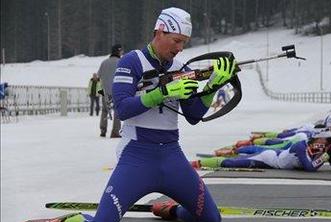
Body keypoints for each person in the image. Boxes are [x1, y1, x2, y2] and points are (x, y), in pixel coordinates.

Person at [65, 7, 237, 222]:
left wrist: (212, 86)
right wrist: (161, 93)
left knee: (212, 219)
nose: (180, 48)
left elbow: (193, 116)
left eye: (184, 42)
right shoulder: (131, 61)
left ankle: (171, 210)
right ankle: (77, 219)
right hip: (137, 157)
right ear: (160, 32)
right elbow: (122, 109)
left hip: (172, 156)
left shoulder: (180, 67)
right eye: (176, 40)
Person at [192, 130, 331, 172]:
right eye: (327, 140)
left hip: (277, 160)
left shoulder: (326, 149)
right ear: (318, 138)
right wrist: (322, 158)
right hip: (271, 159)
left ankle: (235, 150)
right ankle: (198, 163)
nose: (329, 143)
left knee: (243, 155)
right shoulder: (302, 145)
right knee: (235, 162)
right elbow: (309, 167)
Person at [97, 44, 123, 138]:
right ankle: (115, 132)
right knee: (117, 111)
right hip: (117, 91)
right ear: (118, 51)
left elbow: (98, 76)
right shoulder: (121, 62)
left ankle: (103, 130)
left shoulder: (104, 62)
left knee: (105, 110)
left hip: (105, 92)